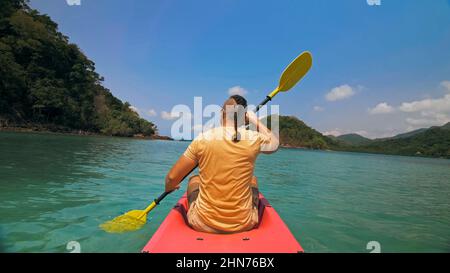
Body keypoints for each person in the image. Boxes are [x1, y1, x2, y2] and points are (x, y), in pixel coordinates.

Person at [164, 95, 279, 233]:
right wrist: (255, 121)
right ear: (243, 117)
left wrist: (170, 187)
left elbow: (172, 178)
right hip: (244, 223)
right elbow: (275, 144)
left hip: (202, 223)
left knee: (194, 179)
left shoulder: (203, 138)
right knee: (252, 180)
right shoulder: (253, 138)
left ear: (222, 113)